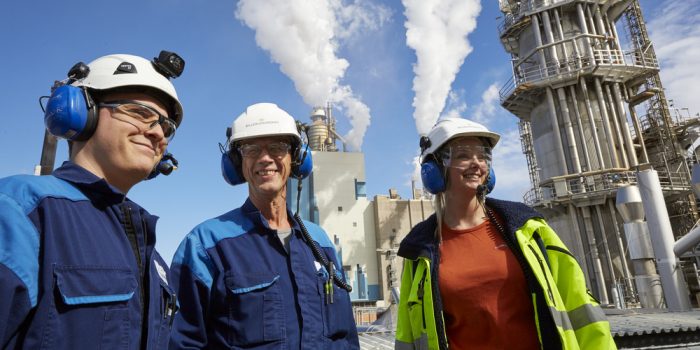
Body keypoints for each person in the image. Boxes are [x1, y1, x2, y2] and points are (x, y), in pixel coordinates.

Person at [0, 51, 185, 349]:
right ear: (82, 112)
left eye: (166, 126)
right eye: (139, 112)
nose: (157, 133)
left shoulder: (152, 255)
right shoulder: (19, 210)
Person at [395, 117, 617, 350]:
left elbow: (579, 304)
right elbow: (408, 334)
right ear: (433, 170)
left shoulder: (528, 228)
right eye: (462, 155)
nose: (476, 163)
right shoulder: (419, 250)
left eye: (482, 156)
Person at [169, 102, 359, 349]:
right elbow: (182, 342)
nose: (265, 158)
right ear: (237, 162)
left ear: (297, 158)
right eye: (251, 149)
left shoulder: (319, 241)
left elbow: (347, 337)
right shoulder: (205, 244)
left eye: (277, 147)